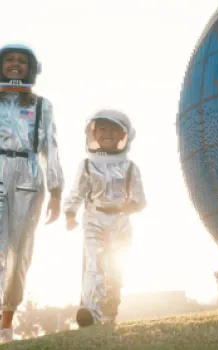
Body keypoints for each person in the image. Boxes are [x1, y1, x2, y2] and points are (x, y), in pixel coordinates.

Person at [0, 43, 64, 342]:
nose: (15, 64)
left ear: (31, 68)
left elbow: (50, 148)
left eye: (21, 61)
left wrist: (56, 190)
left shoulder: (41, 105)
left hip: (28, 174)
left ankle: (6, 323)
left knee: (19, 251)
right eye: (9, 60)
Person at [64, 109, 146, 327]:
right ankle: (90, 311)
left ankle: (110, 312)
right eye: (102, 128)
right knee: (93, 263)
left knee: (115, 269)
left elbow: (140, 199)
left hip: (120, 222)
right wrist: (70, 214)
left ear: (123, 136)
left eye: (113, 129)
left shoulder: (130, 167)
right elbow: (77, 192)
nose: (107, 133)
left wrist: (131, 206)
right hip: (94, 220)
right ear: (93, 133)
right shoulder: (87, 165)